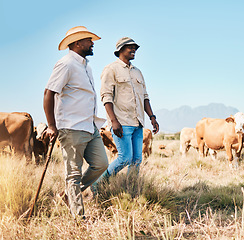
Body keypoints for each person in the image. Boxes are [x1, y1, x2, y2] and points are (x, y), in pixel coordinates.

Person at [43, 26, 109, 218]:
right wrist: (52, 125)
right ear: (78, 42)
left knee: (101, 164)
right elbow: (49, 93)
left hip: (90, 126)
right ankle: (79, 219)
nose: (92, 43)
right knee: (73, 174)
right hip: (71, 127)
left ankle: (67, 195)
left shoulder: (86, 66)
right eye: (89, 40)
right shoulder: (66, 64)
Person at [96, 37, 159, 186]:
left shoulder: (138, 72)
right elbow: (106, 96)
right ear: (120, 50)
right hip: (121, 122)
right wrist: (113, 121)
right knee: (124, 158)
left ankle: (130, 188)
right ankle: (98, 184)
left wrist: (152, 117)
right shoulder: (111, 69)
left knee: (137, 159)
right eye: (129, 47)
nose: (133, 50)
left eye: (135, 48)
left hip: (138, 122)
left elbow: (145, 97)